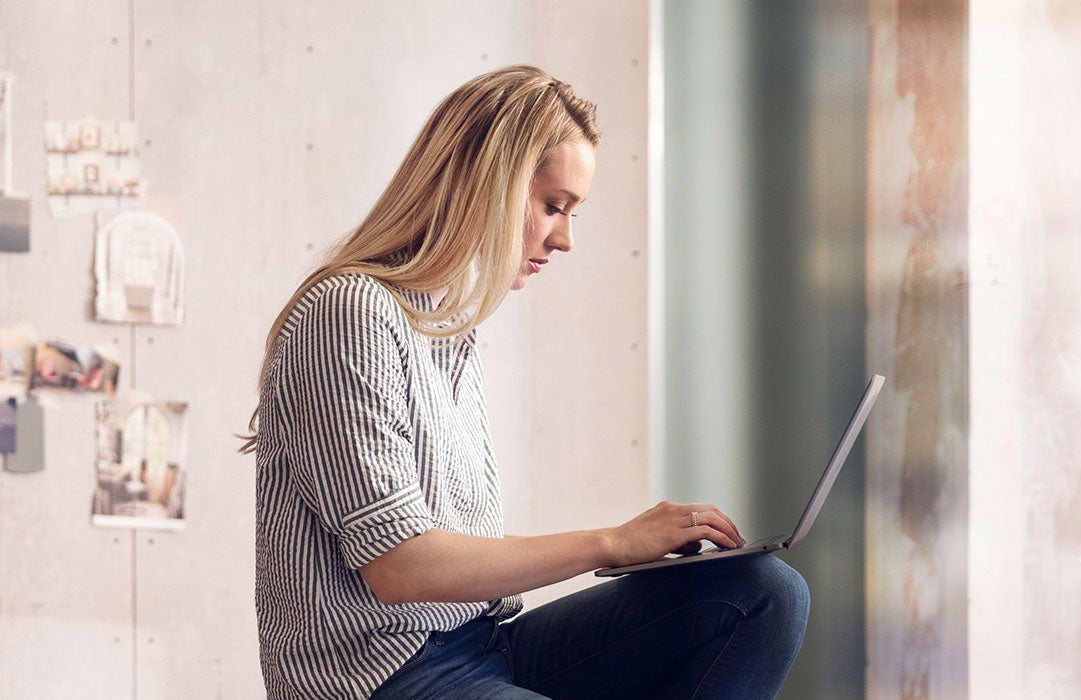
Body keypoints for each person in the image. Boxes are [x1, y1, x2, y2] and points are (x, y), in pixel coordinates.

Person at [240, 65, 809, 699]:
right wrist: (612, 543)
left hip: (484, 645)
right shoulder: (349, 312)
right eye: (552, 206)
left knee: (763, 596)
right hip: (379, 675)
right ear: (486, 184)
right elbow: (401, 568)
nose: (564, 238)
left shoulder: (450, 331)